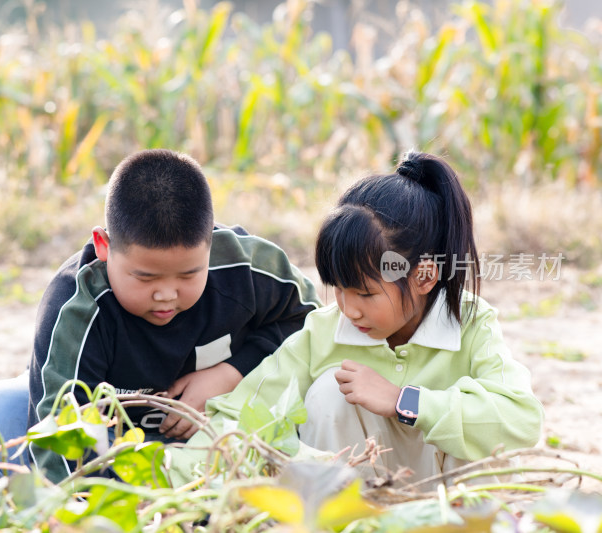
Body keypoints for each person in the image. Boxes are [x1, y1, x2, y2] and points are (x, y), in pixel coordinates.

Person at [169, 151, 543, 488]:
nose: (349, 309)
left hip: (454, 509)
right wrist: (170, 478)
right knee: (332, 391)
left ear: (425, 277)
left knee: (481, 416)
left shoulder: (471, 324)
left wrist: (404, 401)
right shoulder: (326, 331)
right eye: (339, 288)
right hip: (364, 505)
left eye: (365, 293)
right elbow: (246, 415)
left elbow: (522, 420)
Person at [0, 148, 321, 484]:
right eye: (145, 277)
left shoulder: (247, 267)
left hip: (223, 436)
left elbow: (310, 324)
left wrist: (231, 373)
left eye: (189, 274)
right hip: (111, 449)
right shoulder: (75, 307)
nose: (166, 294)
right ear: (103, 246)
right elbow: (58, 439)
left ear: (211, 242)